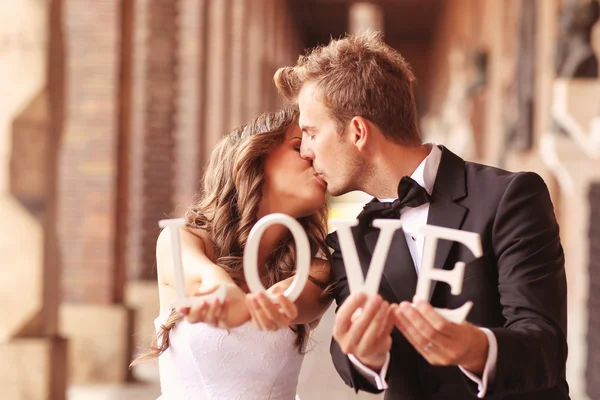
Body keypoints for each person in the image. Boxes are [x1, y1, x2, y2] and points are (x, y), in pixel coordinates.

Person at [273, 30, 569, 399]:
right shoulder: (350, 241)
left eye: (312, 133)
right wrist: (366, 353)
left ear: (359, 132)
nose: (306, 151)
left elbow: (547, 346)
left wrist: (474, 347)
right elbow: (353, 364)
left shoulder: (510, 196)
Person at [131, 108, 334, 399]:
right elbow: (204, 278)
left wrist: (250, 306)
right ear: (256, 156)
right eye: (298, 145)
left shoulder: (318, 269)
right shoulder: (181, 239)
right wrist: (223, 290)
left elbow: (289, 300)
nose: (313, 155)